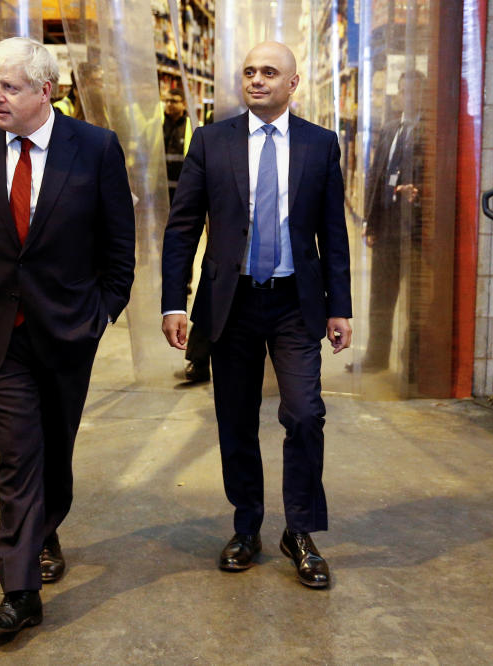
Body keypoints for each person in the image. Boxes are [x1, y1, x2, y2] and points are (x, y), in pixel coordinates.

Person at [0, 37, 136, 633]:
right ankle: (20, 590)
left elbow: (119, 248)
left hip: (67, 330)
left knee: (54, 451)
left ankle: (46, 530)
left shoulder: (94, 148)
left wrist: (101, 315)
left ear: (47, 91)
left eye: (9, 86)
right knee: (20, 452)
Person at [161, 41, 352, 588]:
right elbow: (182, 229)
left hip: (295, 302)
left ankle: (300, 531)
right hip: (233, 303)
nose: (257, 80)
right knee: (236, 419)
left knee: (305, 412)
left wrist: (339, 307)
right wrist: (176, 300)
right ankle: (247, 527)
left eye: (270, 72)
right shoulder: (210, 141)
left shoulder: (320, 145)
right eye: (249, 72)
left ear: (293, 83)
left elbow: (332, 235)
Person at [359, 69, 424, 372]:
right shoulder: (389, 129)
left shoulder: (430, 131)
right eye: (403, 91)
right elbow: (375, 177)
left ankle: (411, 364)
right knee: (380, 298)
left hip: (414, 232)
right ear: (398, 95)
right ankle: (376, 358)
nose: (408, 97)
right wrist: (369, 222)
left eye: (414, 91)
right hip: (386, 228)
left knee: (415, 302)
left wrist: (420, 192)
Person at [162, 86, 210, 382]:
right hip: (169, 197)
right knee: (213, 289)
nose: (171, 104)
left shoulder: (196, 127)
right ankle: (198, 358)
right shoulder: (209, 128)